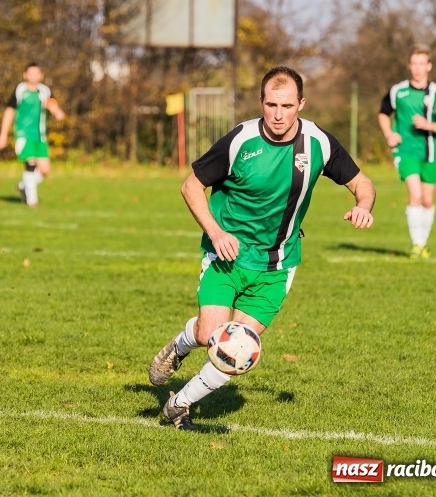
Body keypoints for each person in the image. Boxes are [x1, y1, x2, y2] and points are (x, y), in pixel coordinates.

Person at [148, 66, 376, 430]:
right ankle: (180, 346)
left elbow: (362, 182)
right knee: (210, 334)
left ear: (301, 104)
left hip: (278, 265)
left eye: (287, 105)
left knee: (238, 350)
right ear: (261, 103)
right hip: (228, 255)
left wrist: (363, 206)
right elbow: (191, 186)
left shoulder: (318, 142)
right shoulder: (241, 139)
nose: (279, 114)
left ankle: (179, 405)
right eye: (271, 104)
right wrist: (216, 231)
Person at [378, 44, 436, 260]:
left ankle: (423, 243)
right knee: (416, 195)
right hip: (405, 152)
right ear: (409, 66)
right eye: (414, 63)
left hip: (430, 153)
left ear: (429, 66)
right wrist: (389, 134)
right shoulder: (398, 91)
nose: (418, 68)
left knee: (428, 200)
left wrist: (428, 125)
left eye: (422, 64)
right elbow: (383, 113)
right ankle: (416, 245)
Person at [0, 62, 65, 207]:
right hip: (24, 134)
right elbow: (10, 111)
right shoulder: (20, 90)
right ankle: (32, 201)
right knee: (31, 163)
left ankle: (24, 186)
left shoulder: (44, 90)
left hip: (40, 135)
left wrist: (57, 112)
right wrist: (3, 134)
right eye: (30, 73)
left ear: (41, 75)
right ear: (24, 75)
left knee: (45, 170)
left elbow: (51, 103)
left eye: (36, 73)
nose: (33, 76)